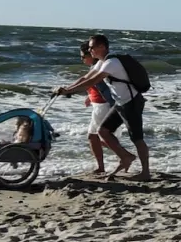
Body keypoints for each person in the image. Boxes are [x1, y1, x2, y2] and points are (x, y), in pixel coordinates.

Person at [56, 34, 150, 180]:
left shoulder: (111, 63)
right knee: (103, 131)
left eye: (92, 47)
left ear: (102, 47)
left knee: (137, 138)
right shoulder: (102, 61)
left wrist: (69, 91)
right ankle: (126, 157)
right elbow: (85, 78)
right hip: (120, 103)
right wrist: (66, 88)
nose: (90, 50)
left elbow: (91, 82)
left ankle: (145, 173)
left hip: (131, 103)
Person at [79, 41, 113, 174]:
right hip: (100, 105)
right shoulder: (98, 66)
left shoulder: (97, 68)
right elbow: (98, 87)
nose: (82, 59)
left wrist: (68, 90)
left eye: (83, 56)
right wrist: (89, 98)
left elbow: (103, 88)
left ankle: (122, 157)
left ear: (91, 55)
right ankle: (123, 156)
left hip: (102, 107)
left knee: (93, 137)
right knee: (100, 138)